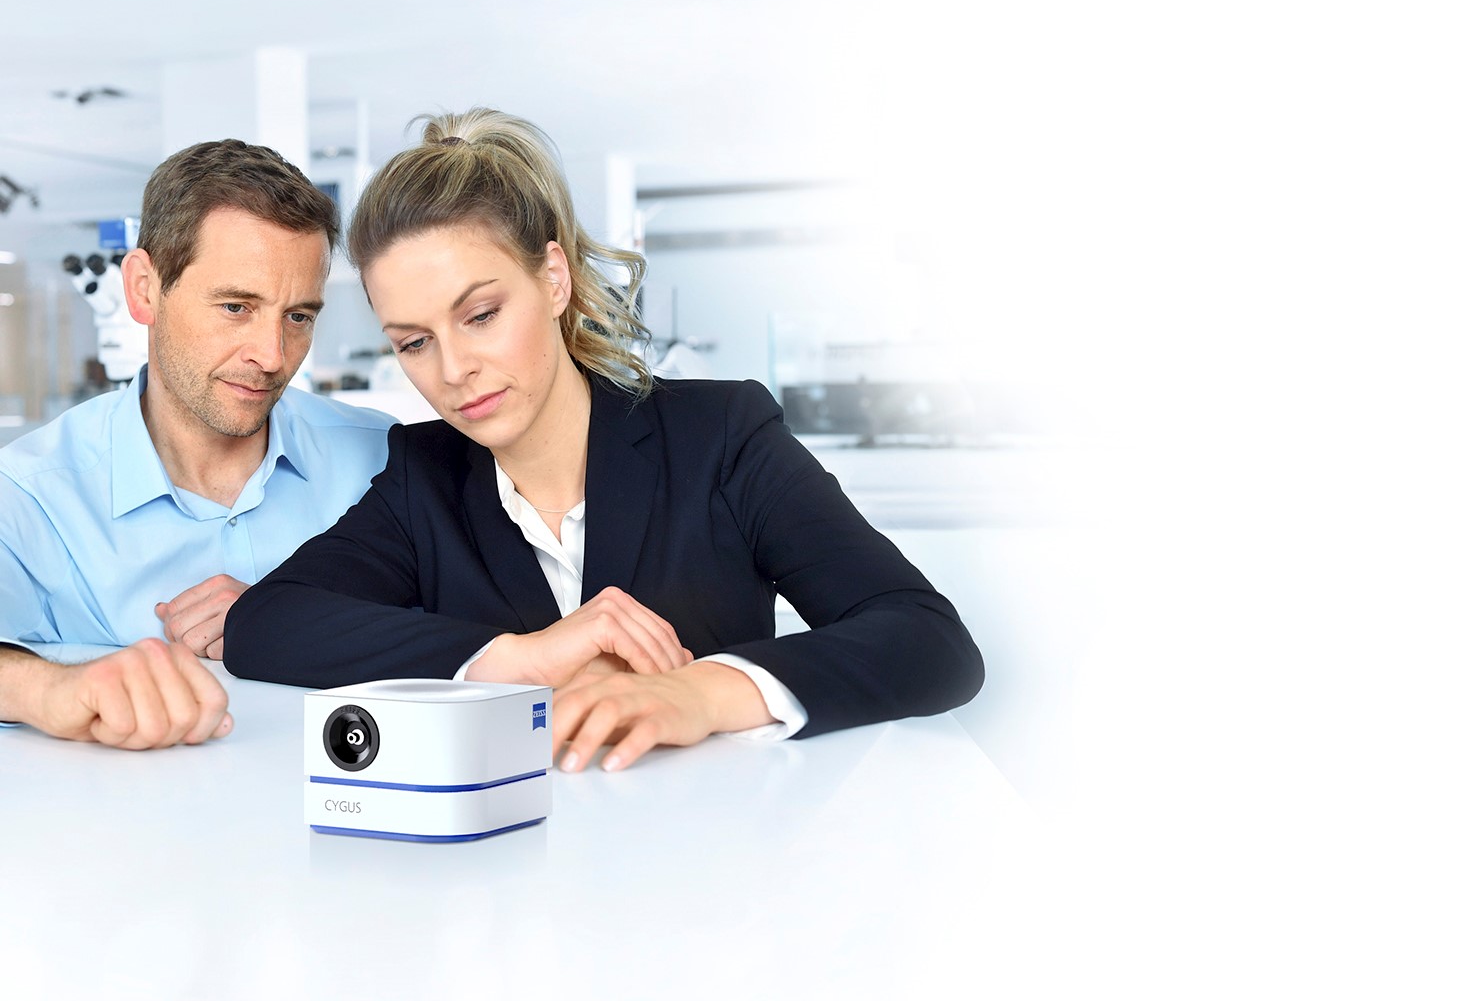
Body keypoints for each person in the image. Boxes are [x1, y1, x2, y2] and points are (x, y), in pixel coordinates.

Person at [225, 108, 983, 772]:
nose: (454, 370)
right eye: (414, 342)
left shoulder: (719, 437)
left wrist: (699, 693)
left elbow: (927, 640)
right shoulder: (424, 478)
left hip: (720, 871)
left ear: (553, 278)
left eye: (481, 314)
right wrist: (518, 660)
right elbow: (266, 623)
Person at [0, 140, 397, 748]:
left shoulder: (389, 461)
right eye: (237, 307)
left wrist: (287, 620)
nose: (271, 356)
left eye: (299, 317)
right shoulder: (29, 495)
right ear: (144, 289)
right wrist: (52, 689)